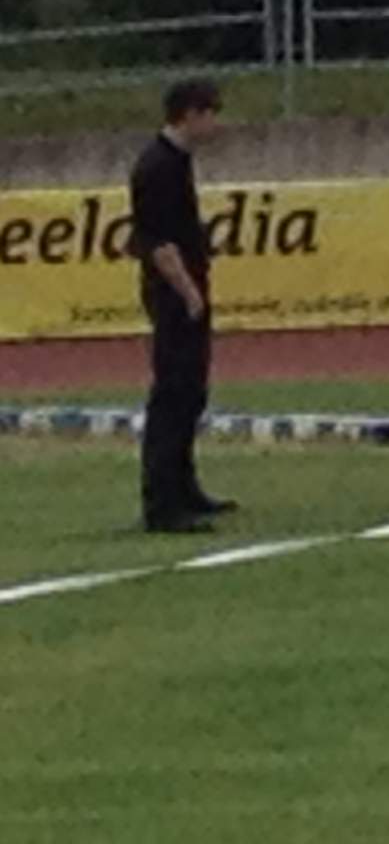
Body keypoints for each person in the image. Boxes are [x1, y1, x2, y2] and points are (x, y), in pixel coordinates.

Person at [129, 79, 235, 532]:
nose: (216, 123)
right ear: (190, 114)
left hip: (187, 286)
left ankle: (185, 487)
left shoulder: (177, 161)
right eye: (211, 113)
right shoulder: (157, 167)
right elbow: (157, 241)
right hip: (173, 292)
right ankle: (162, 503)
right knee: (172, 394)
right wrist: (189, 291)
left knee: (192, 391)